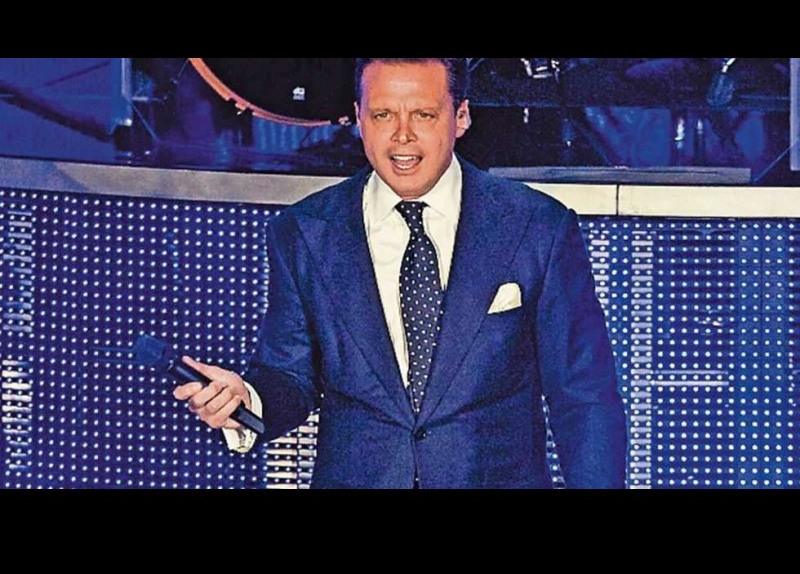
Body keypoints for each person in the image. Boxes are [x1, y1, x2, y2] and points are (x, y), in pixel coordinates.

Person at [173, 58, 627, 489]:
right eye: (383, 115)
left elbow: (584, 398)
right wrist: (248, 401)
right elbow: (289, 375)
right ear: (359, 117)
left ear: (461, 116)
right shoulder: (303, 232)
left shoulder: (537, 226)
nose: (402, 136)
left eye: (424, 115)